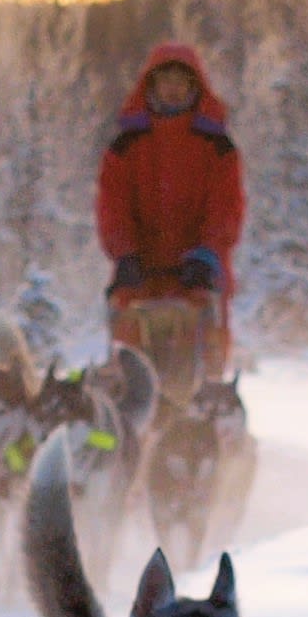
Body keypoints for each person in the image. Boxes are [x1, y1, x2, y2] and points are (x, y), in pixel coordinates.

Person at [93, 40, 243, 384]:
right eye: (166, 81)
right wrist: (125, 252)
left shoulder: (217, 147)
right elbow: (112, 206)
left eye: (181, 82)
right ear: (152, 85)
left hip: (198, 278)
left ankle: (199, 424)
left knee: (199, 370)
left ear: (195, 87)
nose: (173, 90)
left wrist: (207, 255)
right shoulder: (125, 146)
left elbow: (226, 208)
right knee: (129, 368)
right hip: (139, 277)